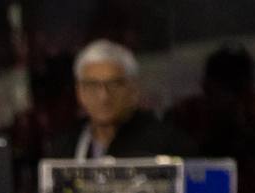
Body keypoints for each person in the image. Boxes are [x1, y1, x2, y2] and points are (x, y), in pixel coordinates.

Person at [165, 43, 255, 193]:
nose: (229, 99)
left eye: (236, 90)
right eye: (222, 88)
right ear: (206, 86)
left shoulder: (251, 127)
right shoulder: (184, 118)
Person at [47, 40, 196, 160]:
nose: (103, 96)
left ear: (133, 89)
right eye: (92, 85)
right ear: (79, 91)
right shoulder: (64, 147)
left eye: (114, 84)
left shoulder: (167, 145)